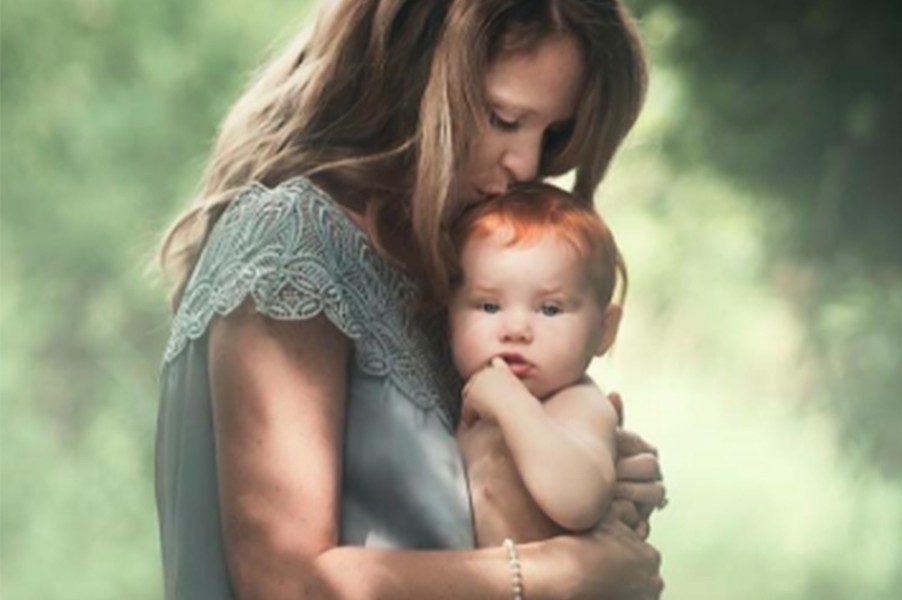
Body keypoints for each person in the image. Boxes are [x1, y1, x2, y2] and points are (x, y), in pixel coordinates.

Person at [153, 1, 666, 598]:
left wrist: (587, 465)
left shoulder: (449, 276)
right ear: (412, 75)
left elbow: (451, 509)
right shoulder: (293, 240)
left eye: (551, 134)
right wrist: (562, 571)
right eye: (503, 118)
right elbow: (285, 582)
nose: (527, 164)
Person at [449, 183, 630, 548]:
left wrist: (511, 403)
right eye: (489, 306)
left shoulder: (578, 404)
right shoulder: (456, 390)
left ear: (604, 330)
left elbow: (579, 500)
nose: (516, 330)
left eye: (549, 309)